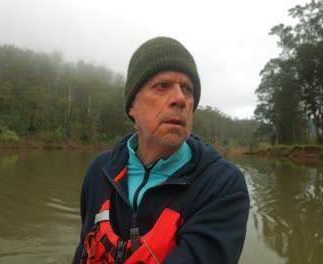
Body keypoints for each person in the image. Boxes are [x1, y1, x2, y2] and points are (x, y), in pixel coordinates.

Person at [72, 36, 250, 264]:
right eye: (162, 86)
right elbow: (85, 249)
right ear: (132, 106)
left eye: (187, 89)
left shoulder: (221, 185)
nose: (180, 99)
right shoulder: (100, 171)